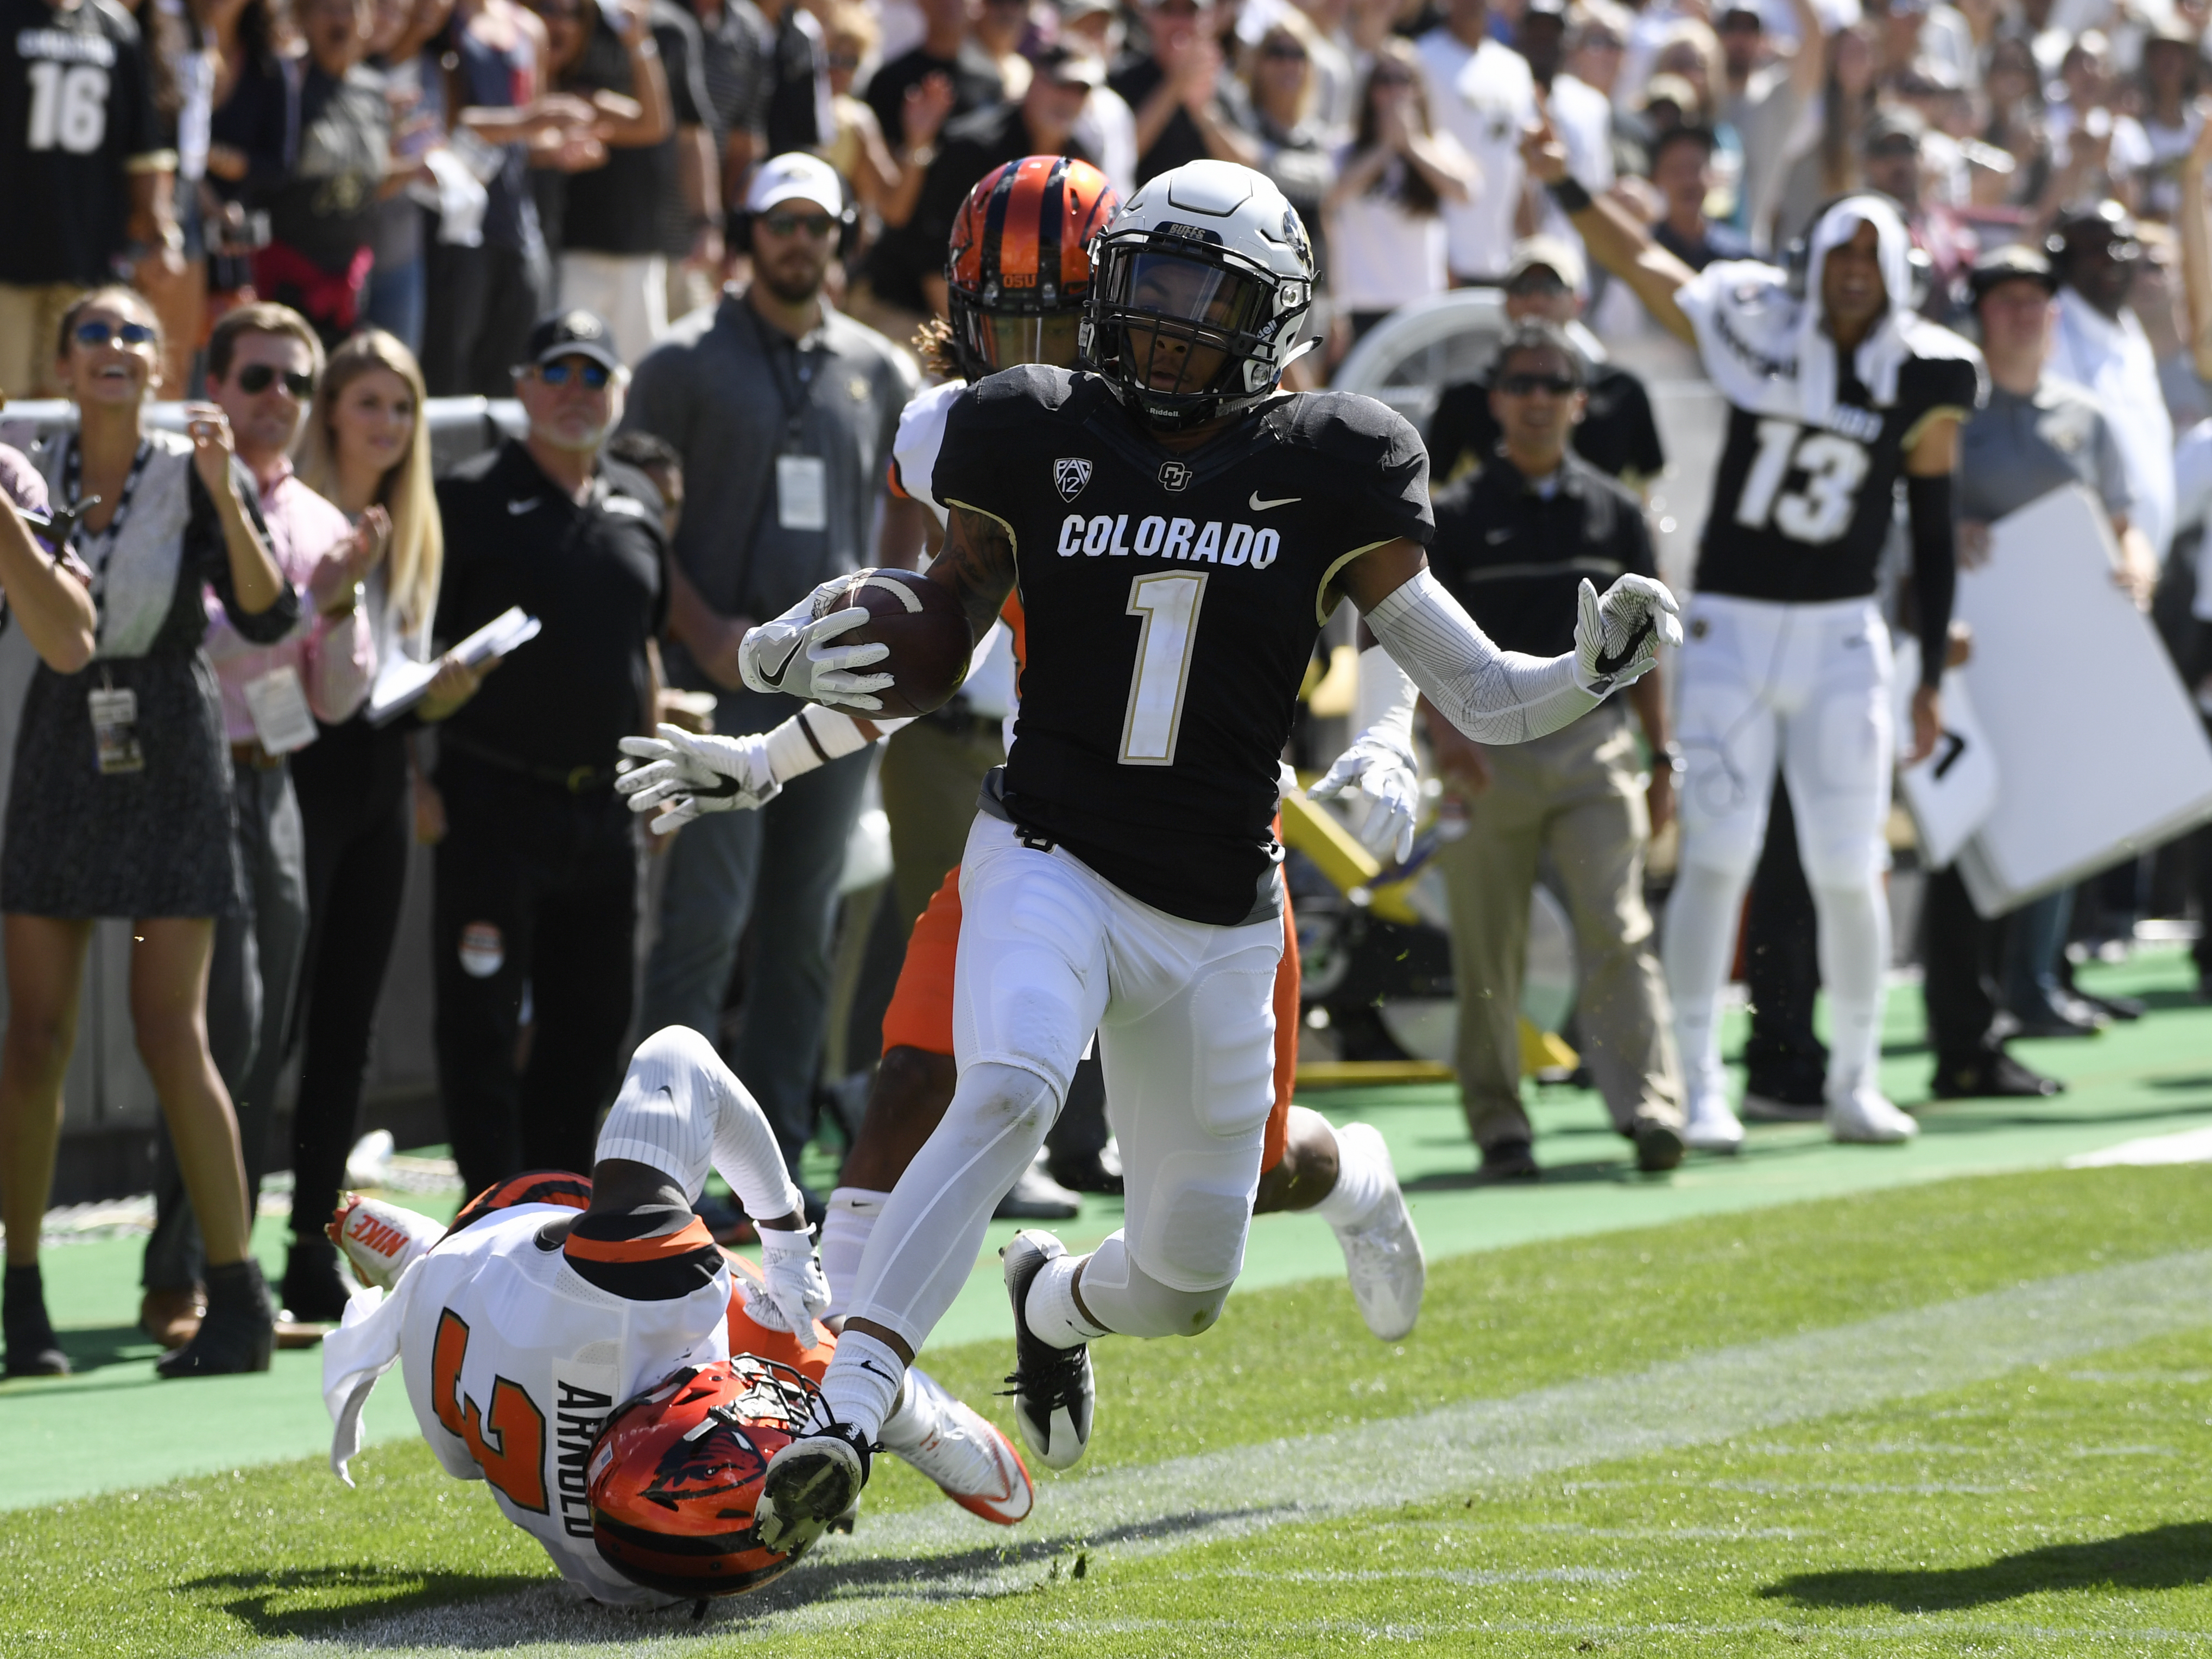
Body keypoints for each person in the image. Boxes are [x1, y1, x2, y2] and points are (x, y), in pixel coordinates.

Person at [732, 158, 1678, 1543]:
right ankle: (850, 1409)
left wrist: (1587, 672)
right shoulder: (1028, 425)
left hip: (1220, 909)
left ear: (1275, 315)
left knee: (1184, 1284)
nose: (1170, 321)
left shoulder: (1337, 458)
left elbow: (1479, 691)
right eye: (1151, 283)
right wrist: (825, 642)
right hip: (1047, 849)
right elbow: (941, 619)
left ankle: (1053, 1297)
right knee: (1009, 1085)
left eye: (1205, 294)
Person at [1526, 116, 1982, 1151]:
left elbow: (1930, 521)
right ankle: (1697, 1084)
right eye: (1839, 254)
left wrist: (1927, 671)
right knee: (1717, 859)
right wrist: (1565, 186)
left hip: (1841, 638)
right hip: (1732, 627)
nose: (1853, 272)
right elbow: (1643, 264)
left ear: (1896, 270)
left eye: (1870, 255)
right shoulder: (1758, 327)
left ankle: (1855, 1080)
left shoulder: (1925, 372)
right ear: (1810, 264)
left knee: (1847, 866)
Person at [319, 1027, 1035, 1607]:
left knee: (791, 1339)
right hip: (450, 1381)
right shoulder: (628, 1573)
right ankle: (899, 1406)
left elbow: (677, 1054)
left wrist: (786, 1236)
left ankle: (421, 1254)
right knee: (829, 1379)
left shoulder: (641, 1295)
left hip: (517, 1228)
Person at [0, 287, 298, 1379]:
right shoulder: (26, 471)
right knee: (35, 1038)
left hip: (172, 740)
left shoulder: (195, 467)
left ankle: (238, 1296)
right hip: (60, 743)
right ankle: (22, 1300)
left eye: (133, 333)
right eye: (93, 334)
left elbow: (268, 612)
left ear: (161, 362)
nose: (113, 348)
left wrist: (226, 492)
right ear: (63, 364)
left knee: (174, 1032)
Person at [622, 154, 918, 1193]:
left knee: (803, 933)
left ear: (841, 238)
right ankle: (653, 1171)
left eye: (817, 225)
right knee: (706, 924)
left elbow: (904, 508)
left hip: (830, 691)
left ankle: (775, 1171)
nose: (799, 242)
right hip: (716, 683)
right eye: (779, 223)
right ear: (747, 233)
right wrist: (700, 628)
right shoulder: (679, 360)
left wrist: (885, 619)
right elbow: (631, 518)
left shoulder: (878, 368)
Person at [138, 304, 378, 1351]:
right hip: (186, 782)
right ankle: (178, 1276)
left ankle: (215, 1268)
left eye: (294, 381)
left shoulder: (321, 518)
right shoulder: (175, 495)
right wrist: (309, 601)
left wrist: (339, 606)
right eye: (256, 378)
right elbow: (187, 637)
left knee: (266, 1029)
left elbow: (335, 696)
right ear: (216, 388)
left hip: (275, 780)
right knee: (219, 1031)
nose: (276, 398)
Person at [1422, 321, 1685, 1181]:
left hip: (1592, 747)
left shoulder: (1616, 509)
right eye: (1521, 384)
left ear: (1579, 403)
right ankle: (1500, 1125)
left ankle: (1649, 1108)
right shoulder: (1455, 513)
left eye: (1553, 385)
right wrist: (1445, 735)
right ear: (1495, 401)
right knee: (1487, 947)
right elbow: (1412, 637)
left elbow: (1647, 647)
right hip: (1485, 747)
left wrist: (1662, 759)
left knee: (1619, 926)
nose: (1536, 400)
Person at [429, 308, 666, 1201]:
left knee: (593, 1026)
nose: (575, 391)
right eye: (556, 372)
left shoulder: (637, 502)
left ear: (620, 391)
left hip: (603, 810)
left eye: (594, 374)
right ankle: (488, 1213)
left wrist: (655, 778)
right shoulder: (468, 497)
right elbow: (418, 645)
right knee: (481, 1024)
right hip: (489, 798)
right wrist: (414, 776)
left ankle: (560, 1210)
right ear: (522, 387)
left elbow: (642, 648)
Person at [284, 328, 475, 1321]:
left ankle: (307, 1247)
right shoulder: (291, 512)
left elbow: (389, 685)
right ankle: (197, 1252)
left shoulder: (414, 525)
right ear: (328, 412)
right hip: (293, 771)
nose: (389, 424)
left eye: (403, 407)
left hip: (376, 777)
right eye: (368, 403)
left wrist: (439, 702)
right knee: (268, 1018)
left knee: (346, 1024)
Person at [1, 0, 182, 399]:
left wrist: (161, 234)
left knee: (73, 401)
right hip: (8, 260)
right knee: (7, 400)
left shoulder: (115, 28)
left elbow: (144, 150)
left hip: (87, 258)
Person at [1425, 235, 1665, 491]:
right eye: (1523, 286)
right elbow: (1434, 495)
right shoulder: (1462, 398)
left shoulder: (1623, 392)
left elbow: (1645, 496)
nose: (1537, 300)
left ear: (1578, 302)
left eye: (1552, 286)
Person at [537, 0, 696, 365]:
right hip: (551, 255)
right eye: (548, 10)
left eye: (572, 16)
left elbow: (654, 125)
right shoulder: (513, 86)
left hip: (619, 245)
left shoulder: (579, 99)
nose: (560, 26)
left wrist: (638, 43)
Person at [230, 0, 395, 348]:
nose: (339, 19)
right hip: (285, 276)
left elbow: (371, 178)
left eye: (350, 8)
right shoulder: (284, 83)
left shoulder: (374, 90)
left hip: (349, 281)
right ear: (302, 17)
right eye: (327, 9)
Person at [421, 0, 564, 397]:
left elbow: (528, 134)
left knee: (513, 369)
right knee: (449, 371)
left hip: (517, 225)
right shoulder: (442, 20)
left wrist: (559, 144)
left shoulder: (527, 28)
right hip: (457, 225)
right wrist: (530, 122)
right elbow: (447, 123)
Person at [1323, 39, 1473, 354]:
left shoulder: (1439, 146)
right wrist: (1384, 149)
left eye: (1404, 80)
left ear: (1419, 90)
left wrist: (1413, 147)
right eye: (1385, 80)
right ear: (1370, 90)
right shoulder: (1343, 148)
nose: (1394, 91)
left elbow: (1466, 192)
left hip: (1420, 303)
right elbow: (1330, 198)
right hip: (1361, 302)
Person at [2049, 201, 2177, 568]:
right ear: (2064, 258)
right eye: (2095, 247)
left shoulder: (2130, 331)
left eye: (2123, 244)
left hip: (2142, 565)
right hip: (2083, 562)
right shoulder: (2048, 330)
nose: (2113, 258)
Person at [1414, 0, 1533, 286]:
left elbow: (1518, 163)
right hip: (1444, 262)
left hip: (1504, 260)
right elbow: (1415, 156)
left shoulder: (1515, 67)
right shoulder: (1421, 57)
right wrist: (1439, 258)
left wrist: (1529, 246)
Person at [1109, 0, 1257, 186]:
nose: (1179, 23)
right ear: (1149, 18)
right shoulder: (1123, 78)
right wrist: (1174, 87)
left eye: (1189, 12)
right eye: (1168, 11)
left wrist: (1203, 112)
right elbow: (1118, 157)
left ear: (1207, 21)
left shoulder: (1223, 85)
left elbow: (1250, 168)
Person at [1647, 124, 1749, 272]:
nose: (1687, 182)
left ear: (1712, 173)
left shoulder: (1740, 258)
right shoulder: (1645, 251)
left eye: (1695, 168)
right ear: (1655, 178)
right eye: (1676, 171)